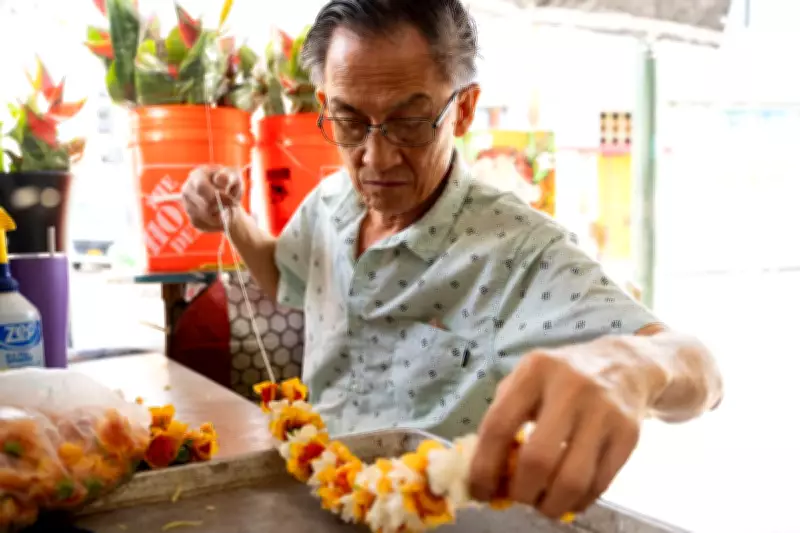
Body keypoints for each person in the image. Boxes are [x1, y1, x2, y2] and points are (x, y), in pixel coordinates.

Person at [181, 0, 723, 521]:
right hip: (318, 498)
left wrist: (633, 367)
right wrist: (230, 216)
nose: (377, 156)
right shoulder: (329, 202)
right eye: (349, 121)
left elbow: (700, 371)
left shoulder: (517, 252)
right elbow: (284, 273)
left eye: (411, 121)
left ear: (461, 109)